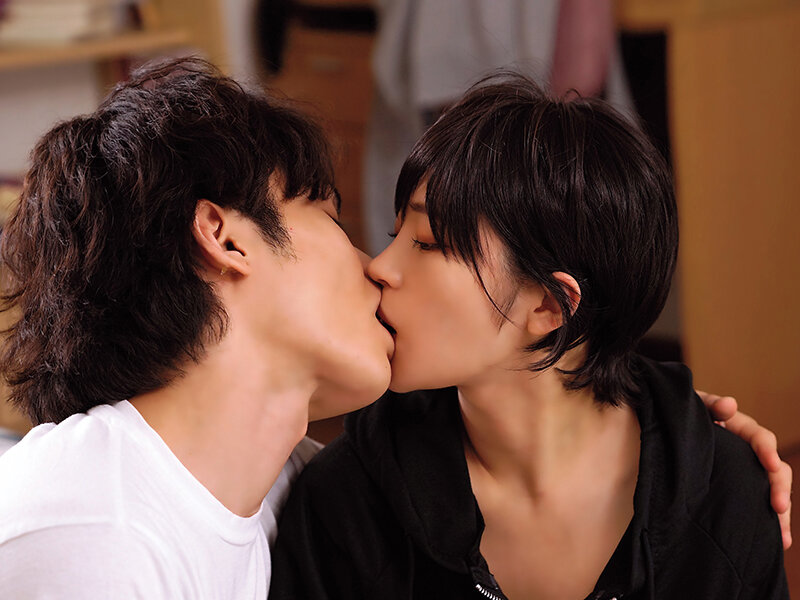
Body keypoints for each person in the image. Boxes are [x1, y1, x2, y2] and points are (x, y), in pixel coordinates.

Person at [269, 74, 789, 599]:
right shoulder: (345, 505)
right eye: (394, 232)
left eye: (427, 242)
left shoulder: (726, 496)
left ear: (548, 305)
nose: (379, 267)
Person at [0, 57, 394, 598]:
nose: (376, 267)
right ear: (224, 238)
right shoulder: (93, 535)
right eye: (331, 219)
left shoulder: (301, 493)